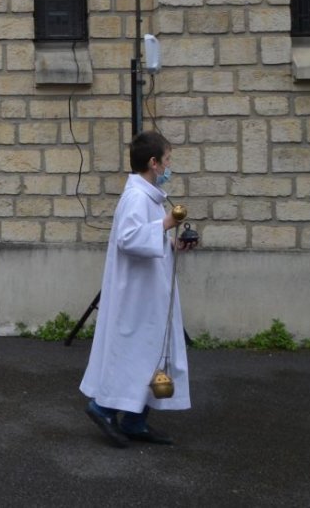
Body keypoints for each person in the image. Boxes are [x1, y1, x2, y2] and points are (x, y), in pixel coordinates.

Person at [80, 130, 199, 447]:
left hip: (150, 292)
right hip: (136, 296)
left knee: (153, 353)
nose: (170, 166)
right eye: (168, 160)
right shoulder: (136, 197)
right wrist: (165, 225)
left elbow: (146, 237)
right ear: (153, 162)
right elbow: (129, 238)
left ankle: (135, 419)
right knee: (137, 353)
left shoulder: (148, 195)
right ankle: (103, 408)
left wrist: (172, 242)